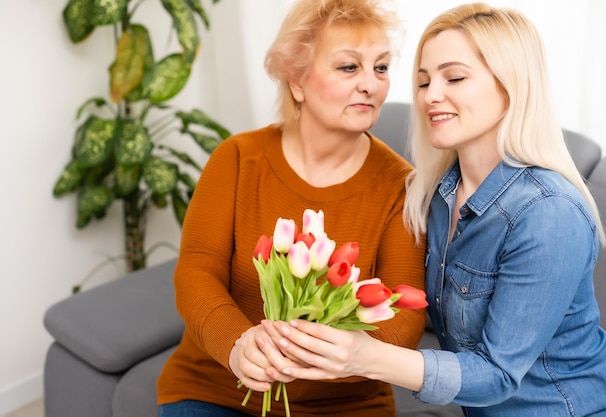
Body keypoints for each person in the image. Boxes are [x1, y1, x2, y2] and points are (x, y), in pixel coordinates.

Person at [258, 3, 606, 416]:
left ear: (511, 86)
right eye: (423, 81)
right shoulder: (433, 196)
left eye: (454, 77)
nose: (430, 95)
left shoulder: (548, 212)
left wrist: (363, 356)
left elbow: (497, 375)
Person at [156, 0, 428, 416]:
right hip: (217, 389)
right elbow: (196, 269)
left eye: (381, 67)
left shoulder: (402, 187)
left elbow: (403, 319)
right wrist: (237, 344)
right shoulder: (236, 159)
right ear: (297, 80)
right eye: (348, 67)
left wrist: (335, 354)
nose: (371, 85)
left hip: (344, 406)